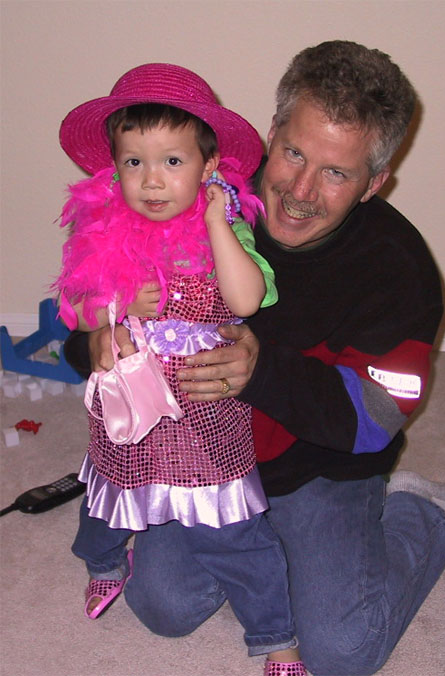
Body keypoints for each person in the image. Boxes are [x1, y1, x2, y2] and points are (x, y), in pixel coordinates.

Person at [65, 42, 445, 676]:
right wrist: (95, 340)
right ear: (269, 134)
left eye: (336, 173)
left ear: (374, 183)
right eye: (293, 154)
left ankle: (416, 515)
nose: (300, 191)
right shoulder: (185, 188)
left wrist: (262, 371)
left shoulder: (399, 270)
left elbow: (375, 419)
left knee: (341, 651)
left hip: (320, 466)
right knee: (163, 606)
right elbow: (92, 293)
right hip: (194, 451)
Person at [55, 63, 306, 676]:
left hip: (204, 415)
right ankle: (104, 564)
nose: (151, 180)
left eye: (172, 161)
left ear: (209, 165)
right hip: (129, 408)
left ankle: (277, 639)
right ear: (114, 168)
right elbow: (76, 309)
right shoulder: (102, 228)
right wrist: (110, 314)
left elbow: (245, 300)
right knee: (106, 506)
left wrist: (219, 223)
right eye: (133, 162)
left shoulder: (228, 227)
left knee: (235, 532)